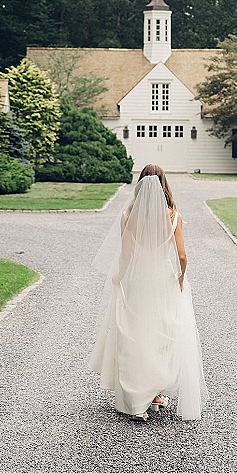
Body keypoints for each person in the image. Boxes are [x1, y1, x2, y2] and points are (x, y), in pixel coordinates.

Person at [89, 164, 208, 421]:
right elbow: (182, 255)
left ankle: (140, 401)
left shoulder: (128, 216)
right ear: (164, 184)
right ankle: (153, 394)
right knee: (163, 337)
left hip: (138, 283)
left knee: (136, 338)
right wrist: (180, 277)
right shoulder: (173, 216)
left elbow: (127, 255)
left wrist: (120, 276)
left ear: (141, 185)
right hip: (164, 282)